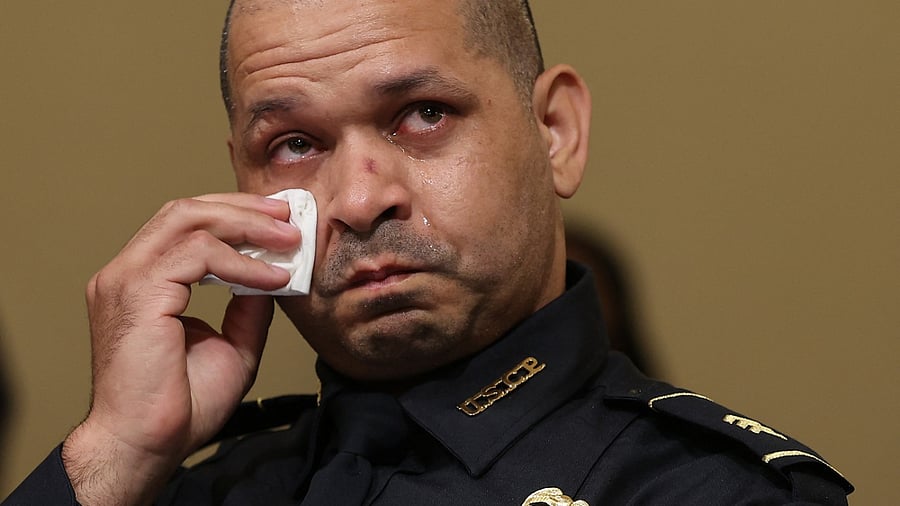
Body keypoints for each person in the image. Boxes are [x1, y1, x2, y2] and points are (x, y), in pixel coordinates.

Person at [4, 1, 852, 504]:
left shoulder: (715, 493)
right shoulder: (198, 488)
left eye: (424, 114)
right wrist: (115, 455)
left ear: (555, 132)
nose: (361, 197)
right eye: (295, 143)